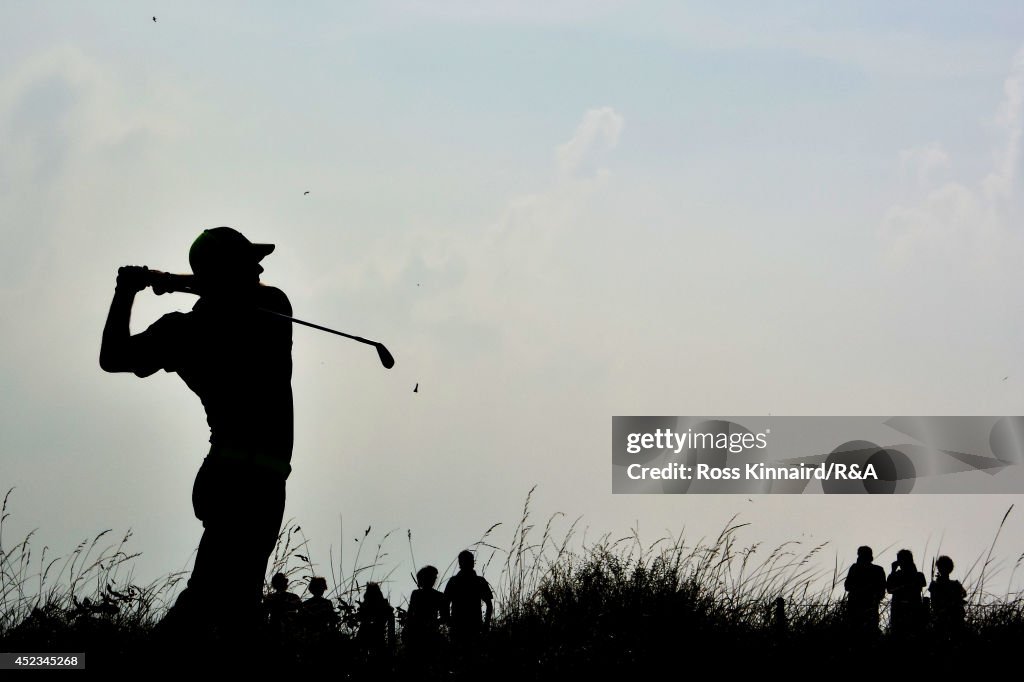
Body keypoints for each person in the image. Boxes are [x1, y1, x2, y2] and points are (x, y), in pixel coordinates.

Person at [100, 227, 293, 645]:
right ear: (229, 272)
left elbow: (115, 355)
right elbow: (112, 360)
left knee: (238, 606)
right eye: (248, 263)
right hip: (240, 480)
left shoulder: (264, 309)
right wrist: (141, 289)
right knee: (209, 600)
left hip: (253, 479)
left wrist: (137, 289)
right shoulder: (201, 325)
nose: (260, 268)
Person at [444, 550, 493, 646]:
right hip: (462, 626)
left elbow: (445, 603)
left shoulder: (455, 581)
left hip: (470, 626)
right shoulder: (478, 581)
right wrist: (448, 620)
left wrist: (486, 623)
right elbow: (445, 603)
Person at [843, 546, 886, 635]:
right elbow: (847, 586)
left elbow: (881, 591)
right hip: (857, 607)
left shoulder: (877, 570)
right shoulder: (856, 568)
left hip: (868, 607)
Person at [404, 565, 446, 655]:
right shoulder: (438, 595)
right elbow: (444, 617)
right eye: (433, 577)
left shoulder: (416, 594)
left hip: (418, 634)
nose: (434, 579)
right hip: (423, 633)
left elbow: (410, 615)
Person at [886, 549, 927, 637]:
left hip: (913, 611)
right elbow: (889, 589)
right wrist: (893, 571)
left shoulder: (918, 575)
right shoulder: (896, 575)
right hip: (898, 612)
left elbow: (922, 583)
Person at [929, 555, 967, 638]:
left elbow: (963, 594)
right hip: (943, 617)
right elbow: (934, 603)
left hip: (952, 617)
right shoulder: (937, 584)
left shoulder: (954, 584)